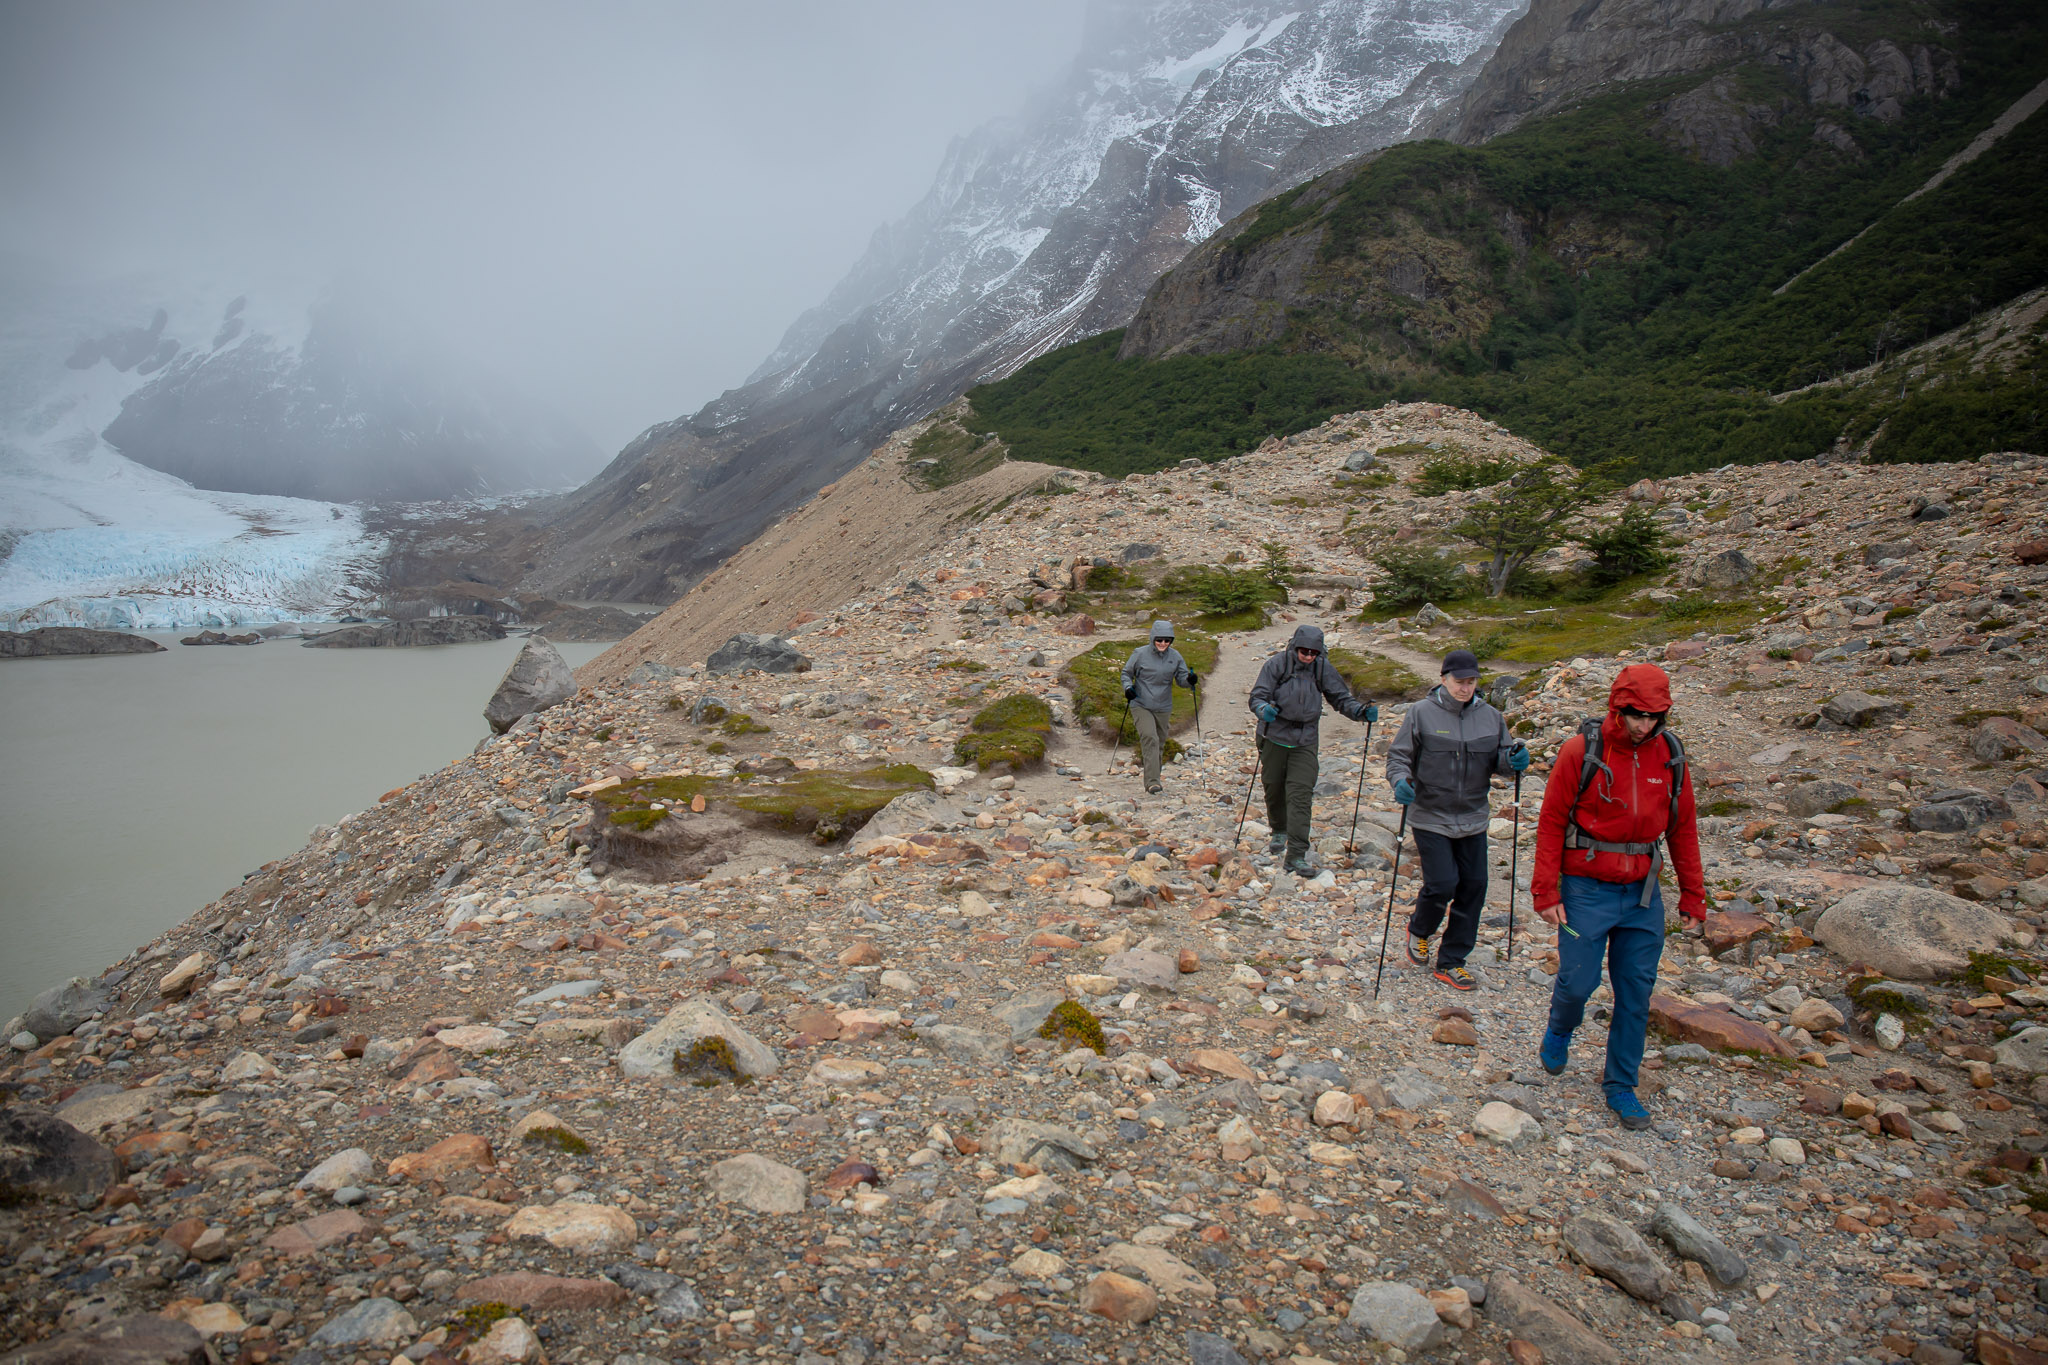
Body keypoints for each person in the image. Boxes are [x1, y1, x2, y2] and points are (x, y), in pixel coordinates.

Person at [1529, 662, 1707, 1131]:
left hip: (1644, 895)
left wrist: (1693, 896)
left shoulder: (1670, 756)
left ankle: (1620, 1086)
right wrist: (1546, 891)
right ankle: (1561, 1027)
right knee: (1577, 982)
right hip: (1584, 890)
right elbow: (1550, 822)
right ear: (1618, 706)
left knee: (1635, 994)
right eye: (1637, 715)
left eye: (1655, 717)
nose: (1645, 725)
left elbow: (1683, 829)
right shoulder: (1580, 752)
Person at [1384, 649, 1529, 992]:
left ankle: (1452, 961)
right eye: (1460, 681)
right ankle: (1420, 930)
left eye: (1472, 681)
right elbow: (1398, 757)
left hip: (1474, 817)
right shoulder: (1420, 713)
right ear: (1443, 678)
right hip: (1430, 814)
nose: (1466, 688)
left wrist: (1516, 761)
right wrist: (1400, 782)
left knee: (1474, 887)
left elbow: (1503, 762)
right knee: (1443, 884)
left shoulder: (1492, 717)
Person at [1247, 624, 1376, 875]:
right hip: (1274, 735)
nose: (1308, 656)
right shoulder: (1277, 665)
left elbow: (1340, 698)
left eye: (1313, 652)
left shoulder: (1322, 668)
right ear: (1294, 647)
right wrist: (1264, 710)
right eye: (1303, 651)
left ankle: (1296, 854)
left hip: (1306, 739)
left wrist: (1360, 712)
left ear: (1320, 652)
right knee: (1273, 786)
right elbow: (1257, 696)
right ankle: (1279, 830)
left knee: (1300, 794)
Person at [1120, 621, 1198, 794]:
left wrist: (1190, 681)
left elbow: (1182, 679)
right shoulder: (1139, 654)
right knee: (1150, 738)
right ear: (1153, 638)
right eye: (1160, 639)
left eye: (1167, 640)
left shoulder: (1175, 657)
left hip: (1163, 706)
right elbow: (1126, 673)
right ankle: (1153, 782)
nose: (1163, 643)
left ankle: (1154, 775)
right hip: (1140, 704)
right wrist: (1128, 688)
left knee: (1159, 743)